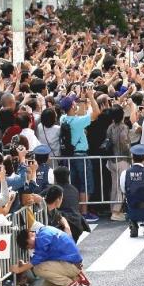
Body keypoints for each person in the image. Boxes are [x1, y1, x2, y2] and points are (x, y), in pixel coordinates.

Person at [58, 89, 102, 223]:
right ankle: (84, 212)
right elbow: (96, 113)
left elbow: (81, 114)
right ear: (72, 106)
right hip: (81, 156)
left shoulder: (63, 119)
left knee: (74, 183)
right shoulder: (78, 122)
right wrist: (91, 97)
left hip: (69, 156)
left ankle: (75, 210)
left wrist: (82, 100)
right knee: (85, 184)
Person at [11, 224, 89, 286]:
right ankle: (77, 277)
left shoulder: (42, 238)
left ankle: (69, 284)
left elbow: (36, 260)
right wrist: (24, 265)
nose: (30, 248)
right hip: (71, 263)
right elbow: (42, 258)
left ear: (30, 235)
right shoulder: (44, 231)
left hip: (71, 264)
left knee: (38, 269)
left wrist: (19, 270)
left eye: (28, 246)